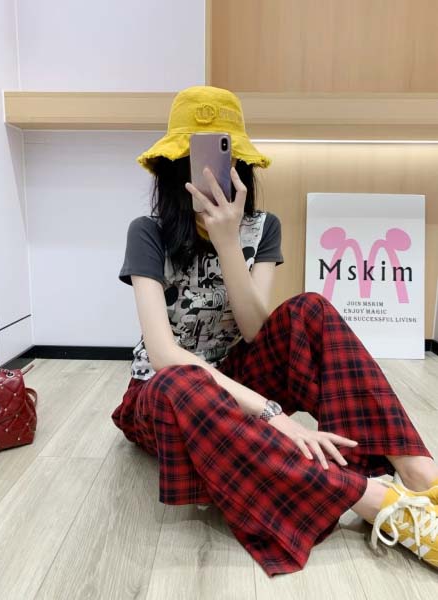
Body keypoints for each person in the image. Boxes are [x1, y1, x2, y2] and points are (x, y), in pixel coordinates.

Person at [112, 85, 438, 576]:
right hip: (165, 395)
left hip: (239, 372)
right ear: (174, 168)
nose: (208, 174)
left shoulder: (264, 227)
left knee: (310, 309)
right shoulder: (148, 231)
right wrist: (273, 415)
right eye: (193, 161)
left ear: (239, 166)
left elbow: (254, 331)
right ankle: (378, 502)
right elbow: (163, 354)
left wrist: (228, 242)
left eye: (222, 161)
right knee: (181, 381)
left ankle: (418, 472)